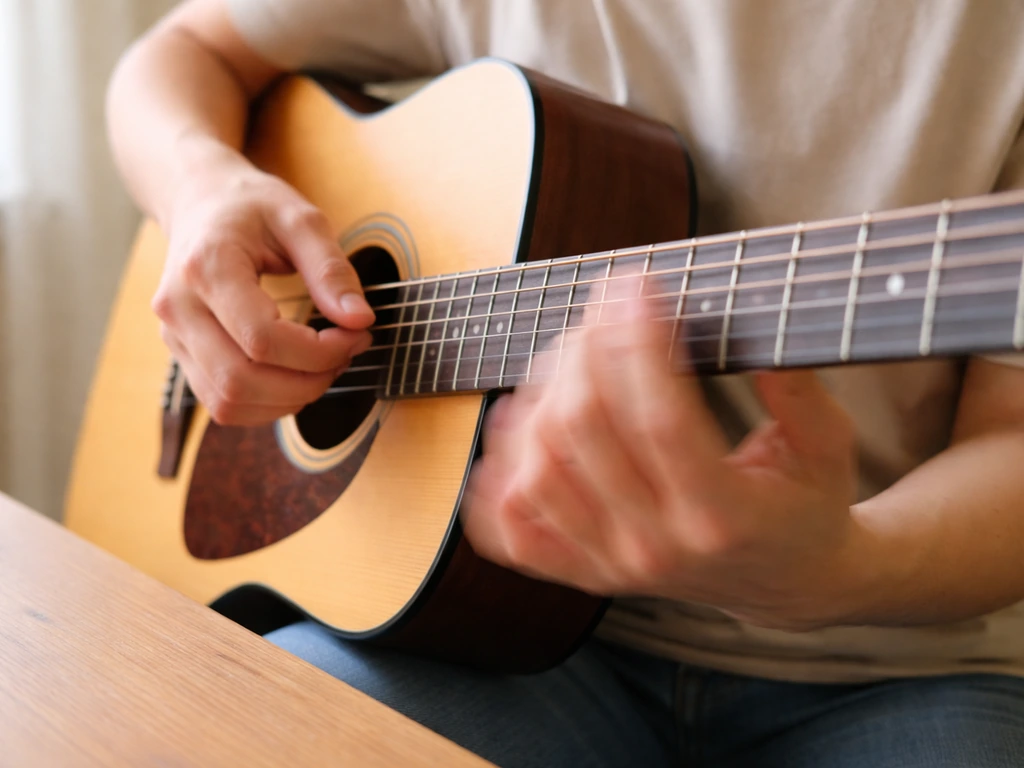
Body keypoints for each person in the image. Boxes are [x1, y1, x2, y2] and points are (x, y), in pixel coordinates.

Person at [106, 1, 1024, 766]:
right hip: (478, 636)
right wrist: (199, 191)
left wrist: (837, 571)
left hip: (901, 666)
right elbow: (183, 52)